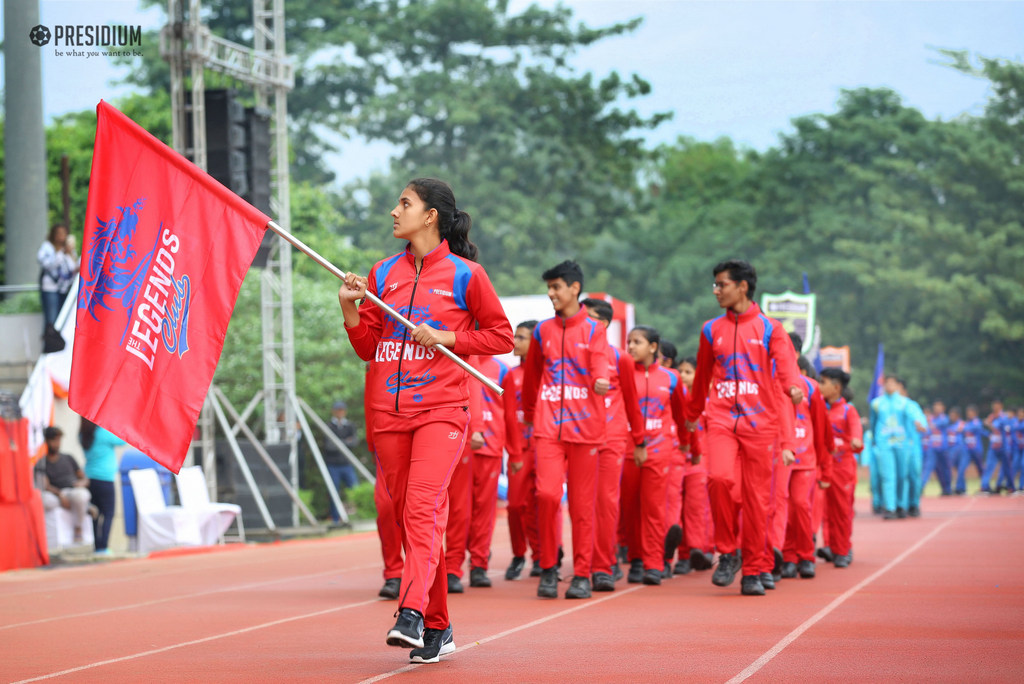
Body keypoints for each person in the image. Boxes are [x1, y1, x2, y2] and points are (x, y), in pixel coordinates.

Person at [337, 178, 513, 664]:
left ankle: (410, 612)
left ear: (430, 215)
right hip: (389, 416)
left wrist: (449, 338)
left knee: (421, 510)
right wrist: (350, 310)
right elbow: (371, 348)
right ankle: (438, 627)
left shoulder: (466, 275)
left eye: (405, 203)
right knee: (408, 517)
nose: (395, 212)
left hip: (442, 413)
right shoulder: (381, 273)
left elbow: (501, 337)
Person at [684, 259, 804, 597]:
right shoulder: (710, 329)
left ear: (743, 287)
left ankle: (753, 569)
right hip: (721, 418)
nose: (716, 291)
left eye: (722, 284)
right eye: (715, 285)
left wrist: (794, 386)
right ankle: (728, 552)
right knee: (719, 479)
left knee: (756, 502)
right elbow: (703, 375)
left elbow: (786, 366)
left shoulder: (770, 329)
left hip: (760, 424)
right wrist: (692, 413)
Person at [521, 260, 611, 600]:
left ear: (574, 289)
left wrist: (601, 381)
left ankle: (582, 574)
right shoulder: (543, 330)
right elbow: (532, 377)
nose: (551, 293)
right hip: (547, 428)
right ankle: (548, 567)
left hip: (585, 430)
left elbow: (600, 362)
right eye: (549, 287)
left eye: (556, 287)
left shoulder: (594, 329)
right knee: (545, 495)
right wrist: (530, 414)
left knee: (582, 505)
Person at [580, 298, 643, 591]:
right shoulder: (575, 355)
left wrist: (639, 441)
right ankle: (583, 564)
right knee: (582, 504)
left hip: (611, 438)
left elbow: (632, 402)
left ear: (603, 324)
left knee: (605, 503)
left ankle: (603, 566)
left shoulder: (621, 359)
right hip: (579, 436)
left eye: (588, 318)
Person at [622, 325, 690, 586]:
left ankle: (654, 563)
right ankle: (636, 559)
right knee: (630, 509)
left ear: (653, 347)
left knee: (654, 508)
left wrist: (684, 443)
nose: (630, 347)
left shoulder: (671, 378)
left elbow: (681, 415)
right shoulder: (622, 373)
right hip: (628, 448)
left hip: (660, 449)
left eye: (637, 342)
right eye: (629, 342)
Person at [776, 360, 833, 581]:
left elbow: (821, 428)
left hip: (805, 458)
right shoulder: (771, 382)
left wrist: (823, 466)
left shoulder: (810, 387)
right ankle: (788, 558)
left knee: (800, 505)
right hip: (781, 457)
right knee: (784, 507)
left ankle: (806, 557)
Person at [502, 320, 542, 581]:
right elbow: (507, 417)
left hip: (545, 447)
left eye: (522, 337)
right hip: (520, 450)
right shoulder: (510, 375)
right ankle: (519, 554)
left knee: (543, 504)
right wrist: (514, 453)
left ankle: (543, 556)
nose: (515, 342)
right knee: (516, 506)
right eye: (515, 336)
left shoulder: (549, 375)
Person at [465, 354, 509, 588]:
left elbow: (510, 410)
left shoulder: (501, 369)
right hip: (459, 445)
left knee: (484, 510)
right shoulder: (454, 357)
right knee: (459, 511)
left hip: (490, 447)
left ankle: (479, 564)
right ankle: (455, 562)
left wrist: (514, 450)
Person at [671, 356, 714, 575]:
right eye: (681, 372)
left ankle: (697, 550)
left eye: (688, 372)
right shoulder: (673, 398)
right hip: (677, 460)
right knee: (676, 509)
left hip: (700, 462)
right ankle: (683, 553)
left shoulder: (705, 401)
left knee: (696, 508)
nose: (683, 376)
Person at [817, 368, 863, 568]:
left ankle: (842, 549)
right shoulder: (820, 408)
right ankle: (830, 546)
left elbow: (857, 435)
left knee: (842, 510)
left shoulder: (848, 410)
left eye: (823, 382)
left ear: (836, 387)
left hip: (842, 467)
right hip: (822, 466)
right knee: (825, 511)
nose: (819, 386)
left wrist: (854, 441)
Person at [869, 375, 922, 519]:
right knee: (888, 476)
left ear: (898, 385)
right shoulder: (876, 403)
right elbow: (873, 423)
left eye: (892, 383)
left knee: (902, 476)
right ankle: (890, 508)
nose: (889, 386)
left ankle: (901, 505)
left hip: (902, 443)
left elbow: (916, 416)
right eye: (887, 383)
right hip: (885, 443)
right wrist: (874, 439)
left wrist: (919, 423)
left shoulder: (905, 403)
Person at [36, 426, 93, 544]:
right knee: (43, 499)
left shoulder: (68, 458)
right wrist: (60, 495)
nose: (57, 444)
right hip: (55, 494)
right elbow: (45, 485)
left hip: (72, 491)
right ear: (46, 441)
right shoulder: (41, 463)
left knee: (81, 495)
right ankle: (86, 507)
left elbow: (84, 479)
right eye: (53, 440)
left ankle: (78, 529)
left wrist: (81, 483)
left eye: (58, 440)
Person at [79, 418, 125, 555]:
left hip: (90, 478)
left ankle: (97, 546)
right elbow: (122, 440)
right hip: (105, 479)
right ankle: (103, 547)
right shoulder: (103, 433)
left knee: (95, 514)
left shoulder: (82, 435)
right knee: (108, 514)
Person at [37, 223, 79, 331]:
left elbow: (72, 269)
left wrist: (70, 255)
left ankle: (59, 346)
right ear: (53, 234)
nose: (61, 236)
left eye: (64, 234)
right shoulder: (47, 247)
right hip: (50, 288)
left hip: (65, 288)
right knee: (52, 320)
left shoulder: (68, 249)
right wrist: (61, 254)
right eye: (59, 234)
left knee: (63, 318)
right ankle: (50, 346)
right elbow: (47, 265)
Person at [324, 400, 359, 524]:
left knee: (354, 490)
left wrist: (338, 442)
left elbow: (354, 442)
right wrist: (345, 441)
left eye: (342, 410)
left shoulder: (350, 425)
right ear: (333, 411)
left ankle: (356, 516)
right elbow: (329, 446)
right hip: (333, 464)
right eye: (338, 410)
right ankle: (335, 519)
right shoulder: (328, 425)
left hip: (347, 464)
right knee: (334, 492)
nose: (340, 412)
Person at [980, 400, 1015, 494]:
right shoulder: (991, 416)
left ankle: (1011, 487)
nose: (995, 407)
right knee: (988, 467)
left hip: (1003, 447)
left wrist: (988, 424)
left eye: (997, 405)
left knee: (1007, 468)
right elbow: (984, 429)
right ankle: (985, 487)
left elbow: (997, 426)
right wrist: (988, 434)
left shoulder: (1004, 416)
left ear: (1001, 406)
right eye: (993, 405)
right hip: (993, 447)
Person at [921, 401, 952, 497]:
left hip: (943, 448)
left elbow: (938, 424)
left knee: (944, 469)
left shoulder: (944, 418)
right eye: (935, 407)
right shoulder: (931, 418)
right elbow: (925, 429)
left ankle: (947, 489)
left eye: (939, 406)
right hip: (932, 448)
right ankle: (919, 488)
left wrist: (929, 423)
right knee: (928, 468)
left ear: (943, 408)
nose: (937, 408)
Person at [955, 405, 985, 495]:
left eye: (971, 412)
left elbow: (976, 428)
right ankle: (960, 488)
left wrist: (963, 428)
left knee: (980, 469)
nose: (969, 414)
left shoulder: (977, 422)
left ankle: (984, 487)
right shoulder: (966, 423)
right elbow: (958, 431)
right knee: (961, 468)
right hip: (967, 450)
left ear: (975, 413)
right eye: (968, 413)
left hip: (976, 450)